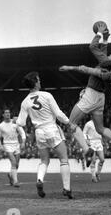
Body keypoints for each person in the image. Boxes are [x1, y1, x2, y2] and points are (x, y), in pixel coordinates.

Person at [63, 25, 111, 166]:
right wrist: (105, 40)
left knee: (71, 124)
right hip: (100, 98)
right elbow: (103, 53)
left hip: (91, 95)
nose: (110, 54)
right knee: (100, 129)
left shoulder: (108, 61)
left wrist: (98, 33)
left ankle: (87, 150)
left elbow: (92, 47)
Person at [16, 71, 77, 199]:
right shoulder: (47, 95)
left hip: (39, 132)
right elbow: (59, 113)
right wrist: (68, 123)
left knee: (44, 160)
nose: (40, 81)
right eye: (38, 79)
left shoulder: (25, 101)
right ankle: (66, 188)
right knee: (64, 159)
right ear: (35, 82)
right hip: (51, 128)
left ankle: (39, 179)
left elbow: (21, 122)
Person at [0, 109, 26, 187]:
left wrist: (23, 142)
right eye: (6, 113)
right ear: (3, 115)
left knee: (17, 164)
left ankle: (10, 174)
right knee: (13, 162)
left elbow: (22, 133)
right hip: (7, 145)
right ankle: (15, 181)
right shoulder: (1, 125)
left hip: (16, 145)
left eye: (9, 112)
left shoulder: (15, 123)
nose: (8, 114)